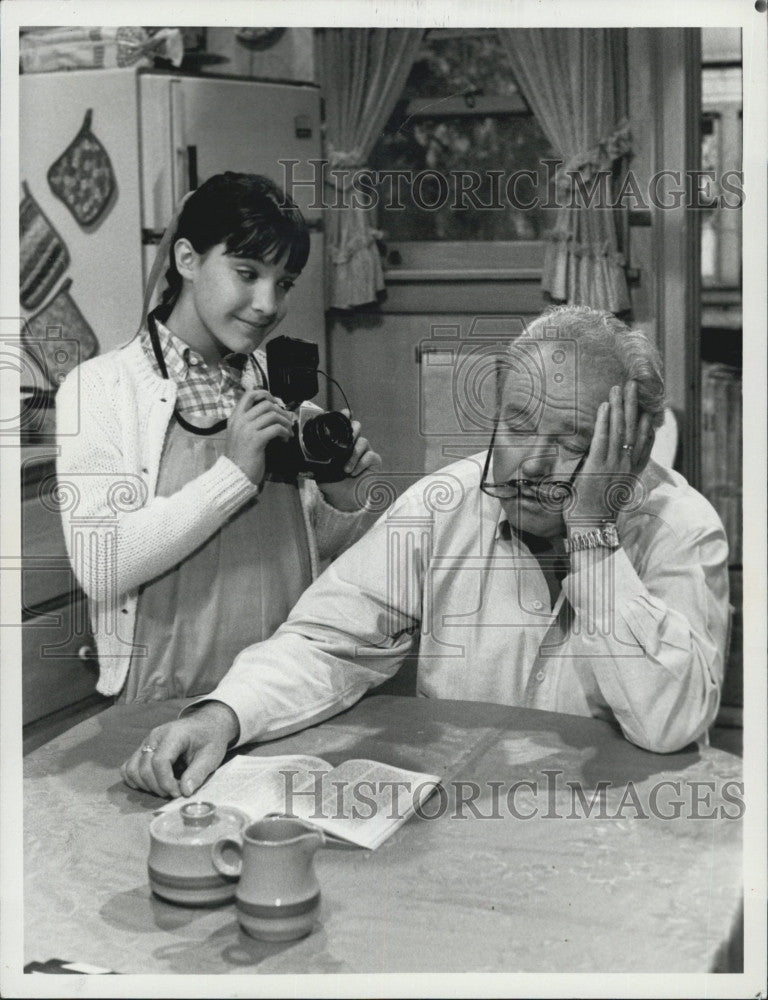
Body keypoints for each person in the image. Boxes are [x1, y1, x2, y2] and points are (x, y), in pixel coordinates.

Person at [121, 305, 730, 798]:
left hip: (618, 831)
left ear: (631, 449)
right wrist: (222, 715)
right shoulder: (446, 502)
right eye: (517, 427)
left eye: (571, 442)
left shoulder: (680, 528)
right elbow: (323, 639)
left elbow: (669, 723)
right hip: (467, 816)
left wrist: (592, 533)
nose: (531, 464)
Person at [56, 172, 380, 703]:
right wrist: (232, 476)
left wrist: (340, 500)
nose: (267, 303)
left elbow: (306, 559)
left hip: (278, 690)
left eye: (284, 282)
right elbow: (101, 564)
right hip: (164, 694)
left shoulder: (279, 390)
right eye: (246, 273)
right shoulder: (102, 388)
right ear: (187, 260)